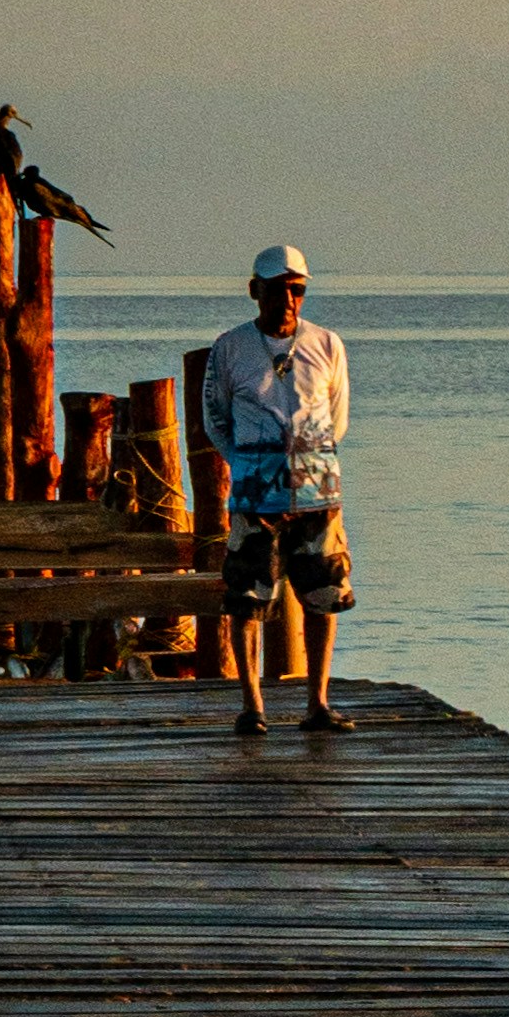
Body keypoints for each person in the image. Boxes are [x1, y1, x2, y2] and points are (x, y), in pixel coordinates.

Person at [202, 244, 352, 740]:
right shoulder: (230, 348)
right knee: (246, 598)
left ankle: (318, 702)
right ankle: (252, 705)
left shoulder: (327, 344)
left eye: (298, 290)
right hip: (254, 499)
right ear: (255, 292)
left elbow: (338, 416)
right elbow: (215, 420)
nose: (288, 300)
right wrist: (249, 463)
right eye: (278, 290)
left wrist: (309, 462)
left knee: (323, 596)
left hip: (316, 496)